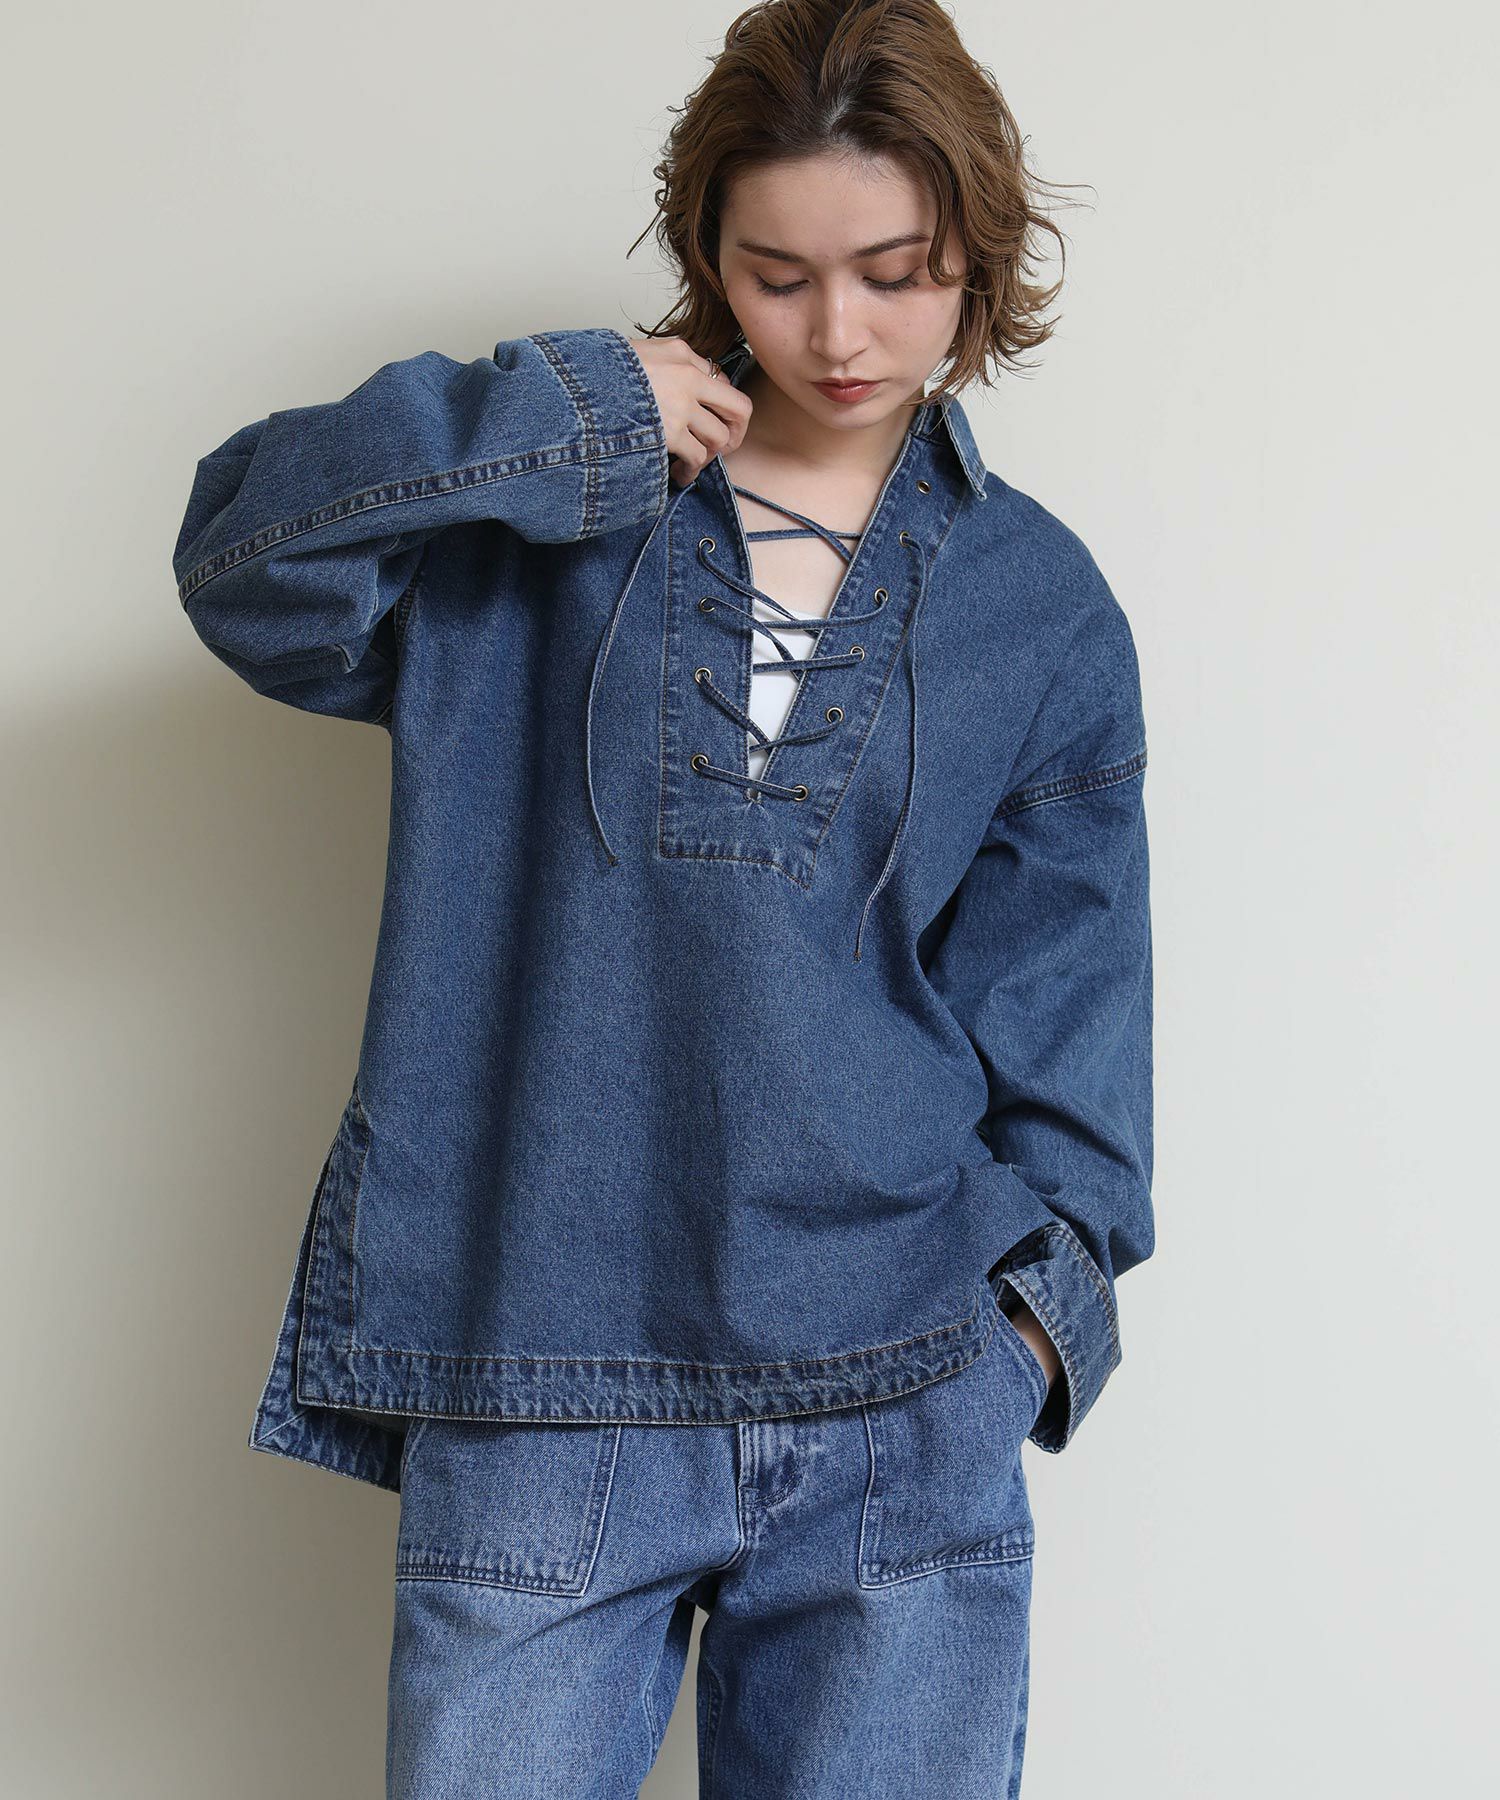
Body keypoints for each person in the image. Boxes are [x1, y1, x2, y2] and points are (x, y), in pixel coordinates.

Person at [172, 1, 1154, 1792]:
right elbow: (241, 565)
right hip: (543, 1376)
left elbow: (1071, 1036)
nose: (839, 334)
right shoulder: (548, 508)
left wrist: (1022, 1337)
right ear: (706, 251)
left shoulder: (1041, 603)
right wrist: (553, 415)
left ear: (979, 250)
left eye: (897, 274)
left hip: (900, 1403)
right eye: (778, 275)